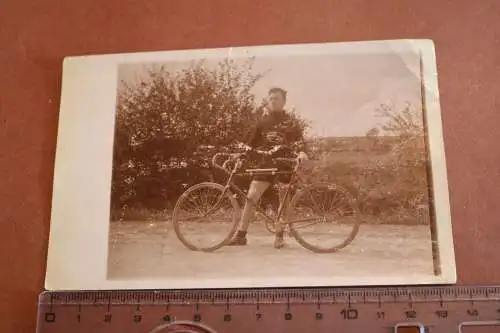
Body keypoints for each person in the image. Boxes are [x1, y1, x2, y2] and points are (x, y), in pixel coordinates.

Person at [228, 87, 309, 249]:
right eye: (270, 98)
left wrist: (301, 152)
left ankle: (279, 237)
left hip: (284, 164)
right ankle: (241, 235)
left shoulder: (290, 121)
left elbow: (300, 141)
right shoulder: (262, 121)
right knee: (251, 197)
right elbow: (250, 142)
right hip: (265, 165)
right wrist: (240, 156)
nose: (273, 101)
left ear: (284, 101)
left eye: (276, 98)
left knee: (283, 200)